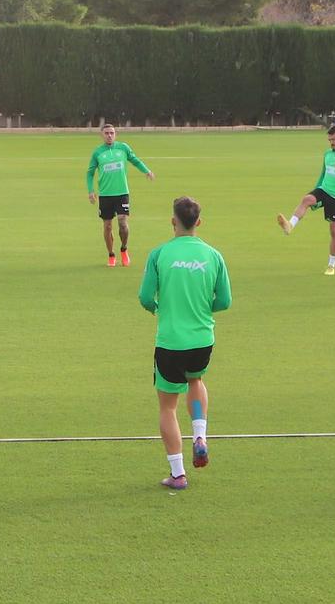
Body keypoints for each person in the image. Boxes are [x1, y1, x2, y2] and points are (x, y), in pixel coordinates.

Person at [138, 196, 230, 493]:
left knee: (167, 407)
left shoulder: (159, 254)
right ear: (199, 223)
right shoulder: (214, 255)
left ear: (173, 220)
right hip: (202, 339)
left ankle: (178, 474)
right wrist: (200, 310)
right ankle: (200, 435)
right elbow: (224, 301)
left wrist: (161, 309)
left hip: (170, 341)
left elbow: (144, 297)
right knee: (196, 379)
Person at [277, 123, 335, 276]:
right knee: (306, 199)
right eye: (329, 140)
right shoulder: (328, 154)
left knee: (334, 231)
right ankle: (290, 225)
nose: (331, 143)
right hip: (324, 190)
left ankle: (331, 265)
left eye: (333, 139)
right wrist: (315, 192)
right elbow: (322, 175)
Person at [86, 123, 155, 268]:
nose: (109, 135)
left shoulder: (123, 148)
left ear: (115, 134)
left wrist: (146, 171)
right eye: (106, 133)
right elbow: (90, 173)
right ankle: (111, 254)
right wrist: (91, 191)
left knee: (123, 222)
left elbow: (135, 160)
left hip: (122, 193)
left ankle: (124, 249)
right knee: (107, 226)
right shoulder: (97, 153)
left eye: (112, 132)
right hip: (105, 195)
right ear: (102, 135)